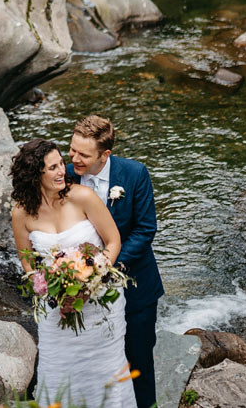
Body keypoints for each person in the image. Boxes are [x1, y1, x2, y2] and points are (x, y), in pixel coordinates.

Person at [10, 139, 137, 408]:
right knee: (58, 372)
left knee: (106, 374)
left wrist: (91, 282)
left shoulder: (82, 197)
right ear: (36, 174)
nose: (62, 172)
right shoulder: (21, 213)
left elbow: (113, 242)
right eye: (53, 167)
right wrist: (45, 287)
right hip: (56, 311)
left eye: (61, 164)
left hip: (100, 304)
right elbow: (28, 264)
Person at [66, 115, 162, 408]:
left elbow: (146, 229)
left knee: (138, 359)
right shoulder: (66, 176)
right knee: (93, 362)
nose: (74, 158)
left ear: (105, 154)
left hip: (136, 287)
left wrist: (107, 269)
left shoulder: (134, 174)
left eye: (84, 154)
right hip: (82, 290)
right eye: (72, 149)